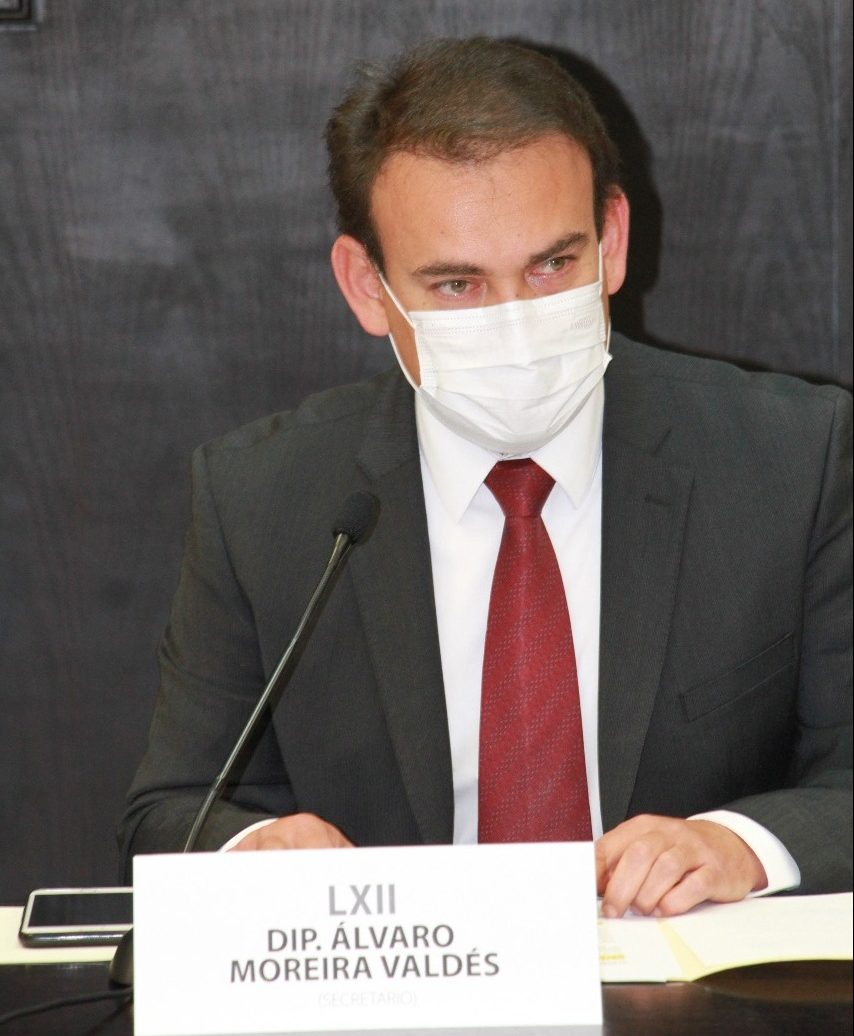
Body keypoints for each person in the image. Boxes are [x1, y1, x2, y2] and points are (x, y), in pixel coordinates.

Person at [119, 37, 852, 919]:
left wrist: (744, 846)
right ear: (367, 286)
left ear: (612, 240)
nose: (517, 323)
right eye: (458, 285)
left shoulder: (793, 457)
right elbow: (172, 812)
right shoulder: (263, 498)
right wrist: (252, 849)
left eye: (552, 265)